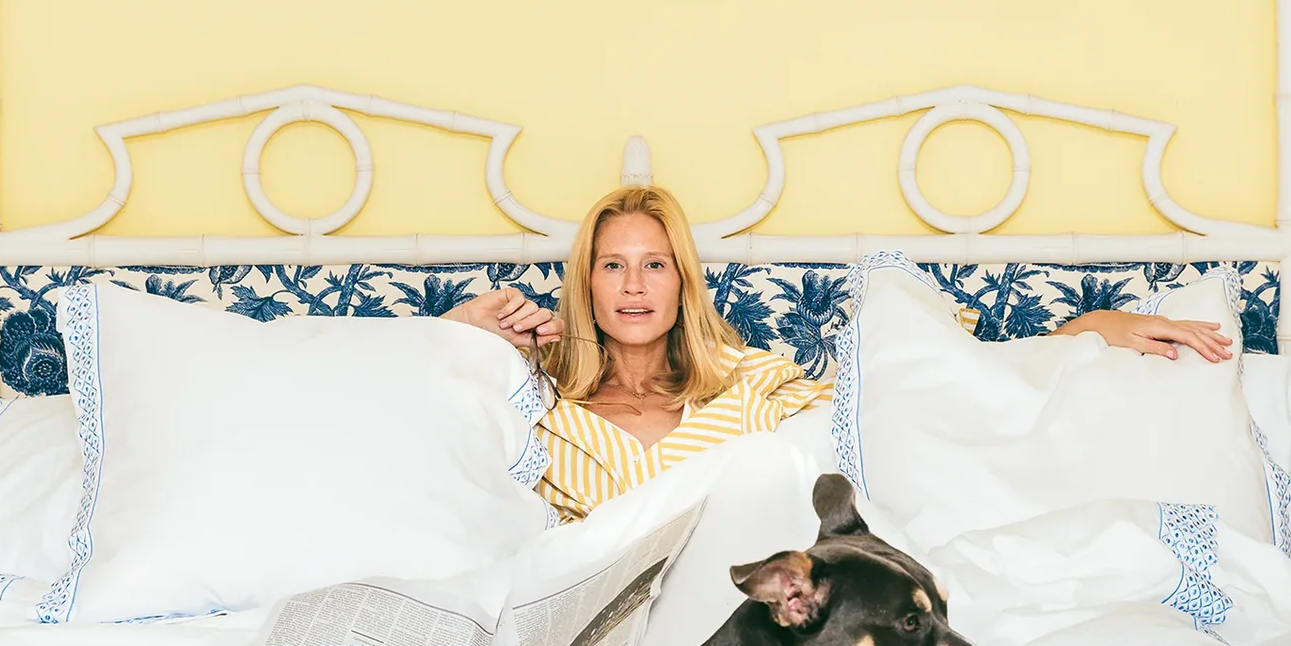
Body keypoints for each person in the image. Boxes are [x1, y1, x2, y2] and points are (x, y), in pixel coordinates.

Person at [445, 185, 1232, 522]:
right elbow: (406, 429)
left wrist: (1088, 330)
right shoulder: (530, 397)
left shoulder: (756, 386)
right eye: (612, 265)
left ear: (685, 280)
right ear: (585, 280)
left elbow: (929, 397)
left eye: (655, 264)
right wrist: (460, 332)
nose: (634, 286)